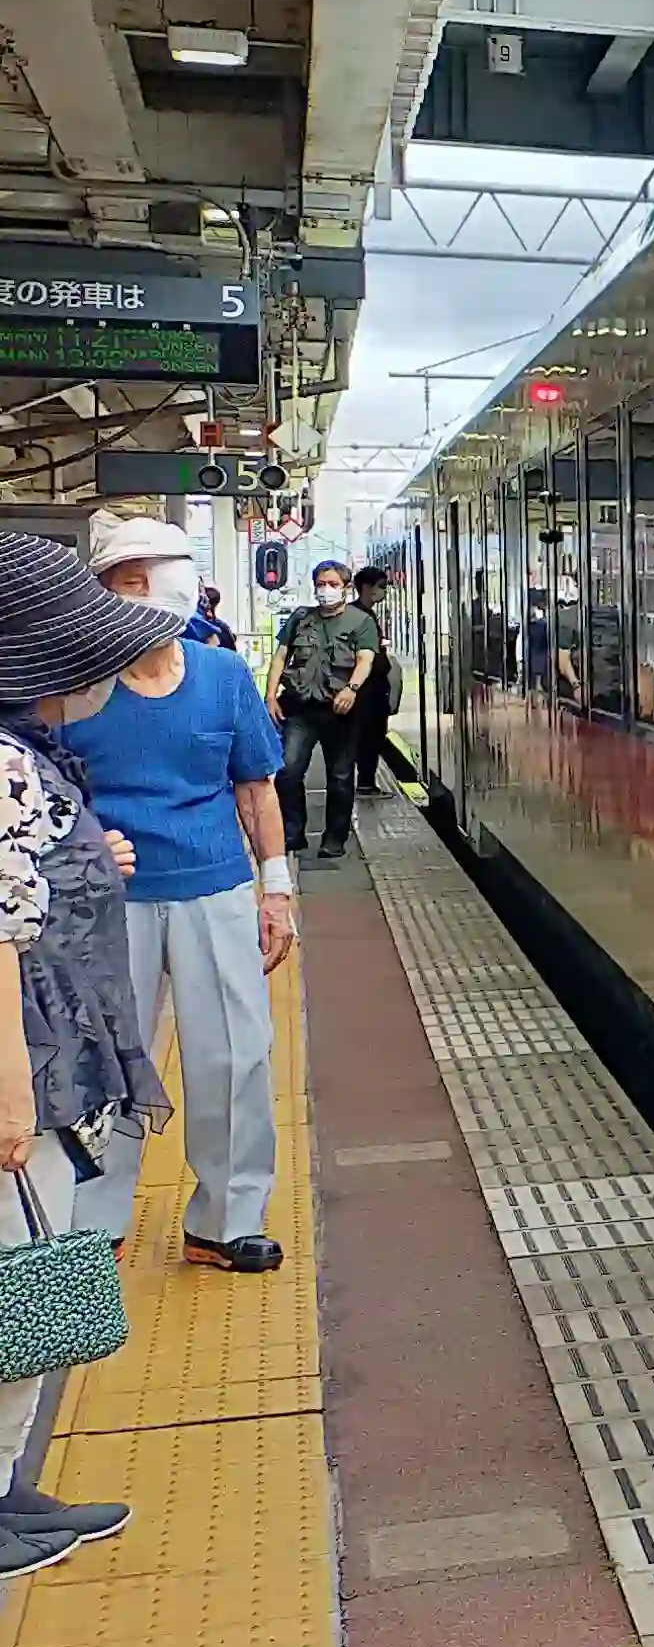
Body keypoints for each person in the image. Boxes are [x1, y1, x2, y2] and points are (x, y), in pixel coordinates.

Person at [0, 534, 186, 1577]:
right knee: (17, 1279)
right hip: (29, 1067)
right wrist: (12, 1099)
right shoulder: (3, 764)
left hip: (51, 1053)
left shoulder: (29, 758)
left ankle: (6, 1489)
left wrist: (88, 856)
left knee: (21, 1277)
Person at [63, 514, 294, 1275]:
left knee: (235, 1054)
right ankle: (93, 1222)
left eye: (151, 579)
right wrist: (81, 847)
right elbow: (38, 788)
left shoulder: (223, 676)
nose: (140, 596)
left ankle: (226, 1220)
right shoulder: (71, 687)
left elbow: (255, 787)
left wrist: (276, 890)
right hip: (106, 899)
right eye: (121, 583)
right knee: (104, 1055)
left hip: (215, 885)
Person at [267, 554, 380, 862]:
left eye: (332, 584)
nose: (325, 590)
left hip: (341, 711)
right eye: (320, 584)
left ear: (345, 588)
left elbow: (365, 659)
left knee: (340, 778)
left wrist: (351, 688)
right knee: (287, 770)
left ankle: (335, 838)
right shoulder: (301, 618)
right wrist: (270, 695)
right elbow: (280, 656)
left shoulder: (361, 622)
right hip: (300, 708)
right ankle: (293, 832)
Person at [347, 566, 400, 792]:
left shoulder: (362, 613)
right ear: (366, 587)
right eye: (381, 586)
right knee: (368, 737)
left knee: (370, 737)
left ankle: (365, 781)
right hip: (366, 690)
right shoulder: (358, 616)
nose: (384, 591)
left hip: (371, 689)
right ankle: (365, 783)